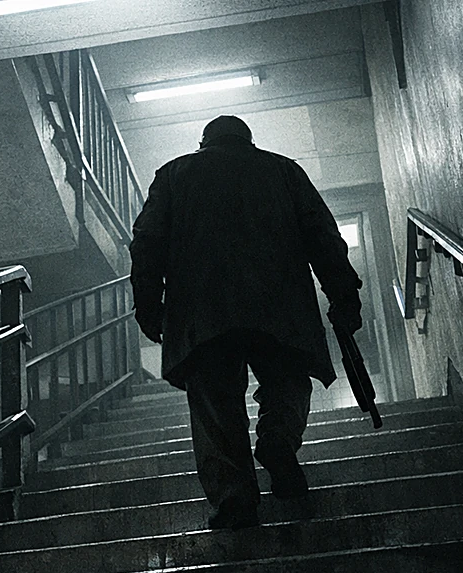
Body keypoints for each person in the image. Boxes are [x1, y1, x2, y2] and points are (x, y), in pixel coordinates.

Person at [129, 115, 363, 530]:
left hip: (203, 310)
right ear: (248, 141)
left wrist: (148, 304)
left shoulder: (174, 174)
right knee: (287, 381)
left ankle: (234, 497)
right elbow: (322, 235)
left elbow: (147, 241)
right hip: (280, 304)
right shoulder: (284, 170)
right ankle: (278, 440)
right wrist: (343, 294)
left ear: (204, 142)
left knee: (215, 402)